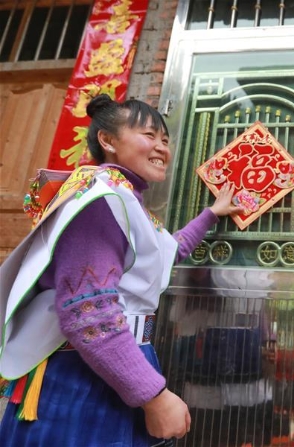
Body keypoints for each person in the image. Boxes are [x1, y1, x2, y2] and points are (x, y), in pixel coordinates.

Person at [0, 94, 243, 446]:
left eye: (165, 139)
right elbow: (89, 314)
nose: (161, 147)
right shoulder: (101, 201)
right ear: (108, 140)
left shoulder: (124, 198)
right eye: (149, 135)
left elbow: (167, 252)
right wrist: (153, 396)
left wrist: (211, 214)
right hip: (83, 373)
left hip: (110, 361)